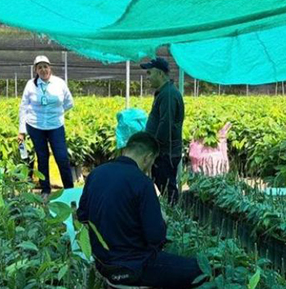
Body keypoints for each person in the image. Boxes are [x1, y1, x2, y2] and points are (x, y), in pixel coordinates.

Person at [77, 132, 201, 289]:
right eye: (153, 162)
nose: (150, 167)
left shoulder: (96, 174)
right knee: (202, 270)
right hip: (133, 266)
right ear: (148, 157)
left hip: (102, 264)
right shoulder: (142, 183)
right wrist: (162, 220)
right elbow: (156, 237)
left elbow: (82, 216)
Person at [18, 55, 74, 199]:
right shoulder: (30, 85)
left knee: (62, 157)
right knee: (42, 157)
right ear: (36, 70)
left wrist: (57, 113)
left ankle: (69, 190)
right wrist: (22, 131)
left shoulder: (59, 83)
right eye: (40, 67)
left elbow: (69, 102)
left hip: (55, 125)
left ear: (50, 68)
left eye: (45, 66)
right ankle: (45, 190)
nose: (43, 70)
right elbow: (23, 107)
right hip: (35, 126)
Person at [140, 57, 184, 203]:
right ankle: (171, 215)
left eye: (149, 73)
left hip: (165, 153)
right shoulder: (165, 92)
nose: (147, 77)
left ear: (159, 73)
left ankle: (173, 218)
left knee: (167, 189)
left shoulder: (169, 95)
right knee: (164, 187)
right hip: (163, 152)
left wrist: (154, 150)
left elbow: (166, 125)